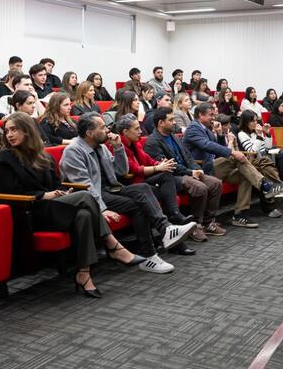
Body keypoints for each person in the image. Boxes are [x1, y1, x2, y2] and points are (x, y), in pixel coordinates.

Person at [0, 112, 144, 297]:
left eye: (14, 129)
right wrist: (44, 195)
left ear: (27, 131)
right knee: (84, 195)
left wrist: (62, 193)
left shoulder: (43, 156)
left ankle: (84, 274)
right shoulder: (5, 158)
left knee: (84, 215)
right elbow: (10, 194)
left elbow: (57, 183)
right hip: (32, 211)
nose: (9, 134)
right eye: (7, 130)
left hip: (56, 207)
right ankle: (112, 244)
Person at [60, 113, 196, 274]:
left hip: (112, 189)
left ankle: (165, 230)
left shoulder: (101, 147)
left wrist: (118, 148)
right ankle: (150, 254)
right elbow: (84, 186)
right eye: (102, 127)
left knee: (143, 189)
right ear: (89, 133)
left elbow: (121, 171)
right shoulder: (73, 151)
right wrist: (101, 209)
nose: (108, 130)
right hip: (91, 196)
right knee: (137, 205)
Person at [183, 102, 283, 228]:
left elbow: (218, 149)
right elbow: (207, 146)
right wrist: (232, 152)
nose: (213, 117)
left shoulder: (207, 129)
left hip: (214, 166)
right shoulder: (193, 128)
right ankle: (265, 185)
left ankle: (239, 215)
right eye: (211, 115)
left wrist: (220, 135)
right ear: (200, 114)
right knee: (235, 157)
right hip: (201, 169)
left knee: (245, 176)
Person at [112, 114, 196, 255]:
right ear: (125, 131)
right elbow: (132, 170)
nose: (141, 131)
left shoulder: (135, 143)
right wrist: (158, 168)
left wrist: (160, 164)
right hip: (131, 185)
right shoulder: (118, 146)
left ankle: (174, 220)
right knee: (164, 195)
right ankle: (175, 232)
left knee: (166, 177)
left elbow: (148, 159)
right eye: (137, 128)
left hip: (142, 182)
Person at [144, 107, 225, 241]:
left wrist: (196, 169)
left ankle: (208, 222)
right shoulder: (152, 142)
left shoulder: (174, 137)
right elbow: (168, 166)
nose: (174, 122)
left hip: (187, 172)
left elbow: (188, 157)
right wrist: (190, 172)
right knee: (200, 187)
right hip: (171, 177)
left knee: (216, 183)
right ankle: (195, 225)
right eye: (171, 120)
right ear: (160, 123)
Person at [237, 110, 283, 209]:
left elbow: (267, 147)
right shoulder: (242, 134)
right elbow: (252, 151)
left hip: (265, 156)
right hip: (253, 160)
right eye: (252, 121)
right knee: (271, 161)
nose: (255, 123)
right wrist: (259, 136)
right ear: (246, 122)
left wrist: (267, 134)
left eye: (256, 120)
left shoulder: (256, 132)